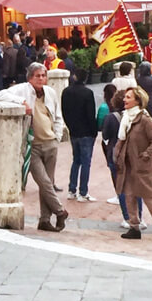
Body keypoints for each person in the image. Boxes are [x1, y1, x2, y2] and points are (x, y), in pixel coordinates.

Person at [0, 62, 68, 232]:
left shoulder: (50, 92)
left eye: (43, 76)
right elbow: (0, 95)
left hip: (50, 143)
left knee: (48, 182)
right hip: (32, 145)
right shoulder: (22, 89)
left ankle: (44, 220)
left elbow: (57, 116)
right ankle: (60, 210)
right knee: (43, 181)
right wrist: (21, 102)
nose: (41, 79)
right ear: (30, 78)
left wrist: (56, 137)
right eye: (37, 76)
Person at [113, 86, 152, 241]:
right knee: (129, 196)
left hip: (143, 166)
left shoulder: (144, 119)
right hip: (128, 165)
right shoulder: (126, 118)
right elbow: (122, 140)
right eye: (125, 97)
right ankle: (134, 227)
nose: (125, 100)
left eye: (128, 97)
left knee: (149, 197)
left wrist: (146, 155)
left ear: (137, 100)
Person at [102, 90, 144, 227]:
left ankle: (127, 218)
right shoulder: (138, 116)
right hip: (134, 154)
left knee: (121, 188)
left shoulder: (110, 118)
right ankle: (139, 216)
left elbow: (105, 136)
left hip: (116, 155)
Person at [62, 69, 98, 202]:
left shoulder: (66, 92)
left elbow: (64, 111)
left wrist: (70, 126)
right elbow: (90, 114)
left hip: (74, 131)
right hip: (86, 132)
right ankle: (83, 192)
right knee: (86, 162)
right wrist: (94, 131)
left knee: (76, 160)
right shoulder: (88, 93)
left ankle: (72, 190)